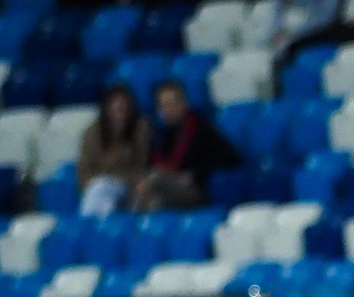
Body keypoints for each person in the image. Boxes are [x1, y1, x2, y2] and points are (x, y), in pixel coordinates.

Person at [137, 77, 237, 209]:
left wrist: (194, 174)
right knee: (151, 203)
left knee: (156, 178)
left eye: (172, 103)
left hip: (193, 190)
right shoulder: (158, 135)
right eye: (163, 106)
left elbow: (230, 158)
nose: (168, 110)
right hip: (163, 191)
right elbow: (150, 163)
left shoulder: (200, 128)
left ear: (184, 103)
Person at [77, 83, 151, 216]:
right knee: (101, 193)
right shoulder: (92, 133)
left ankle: (88, 227)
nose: (119, 113)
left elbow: (142, 164)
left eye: (123, 108)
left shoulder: (140, 129)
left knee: (100, 189)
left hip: (128, 184)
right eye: (115, 108)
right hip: (98, 184)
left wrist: (122, 178)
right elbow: (83, 171)